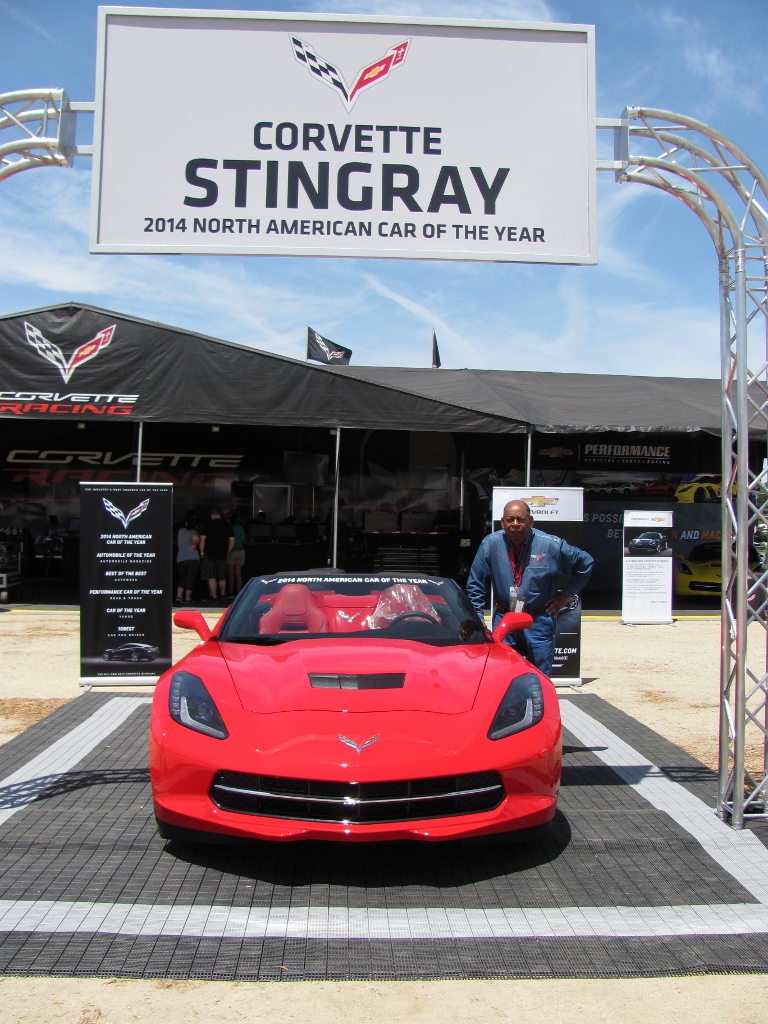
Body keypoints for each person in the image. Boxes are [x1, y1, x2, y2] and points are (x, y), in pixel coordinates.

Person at [467, 499, 593, 676]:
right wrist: (478, 617)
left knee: (539, 677)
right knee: (504, 675)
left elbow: (585, 563)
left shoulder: (550, 545)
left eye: (521, 519)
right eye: (510, 520)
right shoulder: (490, 544)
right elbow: (475, 584)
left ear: (531, 522)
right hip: (505, 619)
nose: (515, 524)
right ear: (502, 522)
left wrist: (566, 595)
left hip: (538, 620)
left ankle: (539, 705)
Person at [199, 508, 234, 604]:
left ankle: (214, 598)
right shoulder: (227, 525)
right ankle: (222, 596)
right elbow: (232, 541)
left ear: (212, 515)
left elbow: (202, 541)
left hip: (209, 554)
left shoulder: (207, 525)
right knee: (222, 577)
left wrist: (202, 553)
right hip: (222, 554)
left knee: (211, 576)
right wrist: (227, 551)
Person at [175, 513, 200, 604]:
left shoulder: (180, 531)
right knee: (190, 578)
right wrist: (194, 544)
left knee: (183, 578)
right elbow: (195, 538)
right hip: (192, 558)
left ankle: (179, 596)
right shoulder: (194, 532)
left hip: (180, 558)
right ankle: (187, 598)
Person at [226, 512, 246, 597]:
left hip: (231, 551)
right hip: (241, 551)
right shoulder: (240, 528)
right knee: (238, 572)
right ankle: (239, 591)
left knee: (231, 573)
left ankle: (230, 592)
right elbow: (243, 539)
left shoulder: (229, 528)